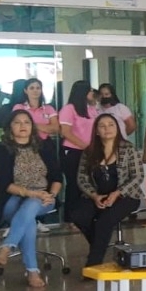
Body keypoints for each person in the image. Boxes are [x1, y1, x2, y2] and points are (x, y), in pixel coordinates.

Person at [0, 111, 63, 288]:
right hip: (11, 198)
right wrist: (33, 193)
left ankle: (8, 248)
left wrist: (50, 195)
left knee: (30, 207)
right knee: (28, 216)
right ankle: (31, 271)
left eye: (27, 122)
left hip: (45, 198)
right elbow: (4, 183)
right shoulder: (2, 150)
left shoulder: (44, 147)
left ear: (32, 126)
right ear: (9, 128)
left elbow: (57, 177)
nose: (23, 126)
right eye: (17, 123)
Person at [72, 113, 143, 268]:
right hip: (97, 195)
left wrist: (117, 193)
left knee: (104, 221)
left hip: (126, 196)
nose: (107, 129)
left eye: (111, 125)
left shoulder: (128, 149)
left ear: (117, 128)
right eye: (102, 126)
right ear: (96, 131)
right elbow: (82, 178)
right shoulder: (89, 152)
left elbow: (137, 176)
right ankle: (99, 246)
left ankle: (93, 264)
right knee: (78, 216)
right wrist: (94, 195)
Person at [58, 80, 98, 217]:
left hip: (89, 151)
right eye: (90, 90)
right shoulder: (69, 109)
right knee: (74, 184)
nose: (93, 93)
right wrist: (85, 147)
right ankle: (70, 217)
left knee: (88, 183)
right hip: (73, 151)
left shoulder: (91, 109)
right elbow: (66, 132)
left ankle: (85, 214)